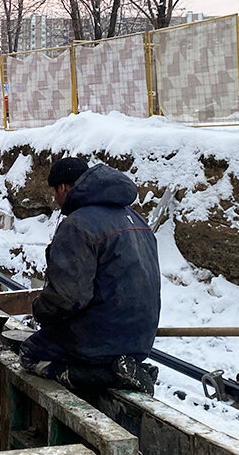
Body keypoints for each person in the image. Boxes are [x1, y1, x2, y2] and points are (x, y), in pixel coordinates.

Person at [20, 157, 161, 394]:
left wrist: (40, 311)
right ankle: (124, 368)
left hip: (98, 342)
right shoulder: (137, 219)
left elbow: (67, 299)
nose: (56, 200)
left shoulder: (78, 225)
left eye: (55, 192)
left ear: (63, 188)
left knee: (30, 354)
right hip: (141, 340)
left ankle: (106, 375)